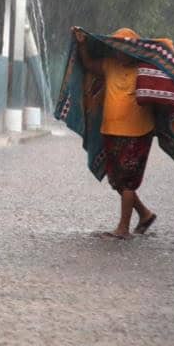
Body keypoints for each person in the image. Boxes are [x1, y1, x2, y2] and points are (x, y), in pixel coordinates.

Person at [72, 27, 158, 239]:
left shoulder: (144, 69)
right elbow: (88, 64)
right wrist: (82, 44)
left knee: (128, 180)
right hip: (111, 131)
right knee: (117, 180)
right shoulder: (110, 64)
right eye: (118, 48)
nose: (121, 53)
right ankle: (145, 214)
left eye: (125, 49)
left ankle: (123, 228)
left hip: (138, 132)